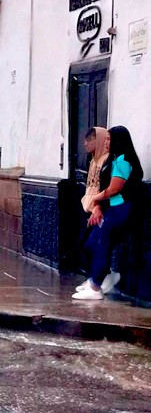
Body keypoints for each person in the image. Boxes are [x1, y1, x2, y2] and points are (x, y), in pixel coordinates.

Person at [74, 125, 144, 300]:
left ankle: (95, 286)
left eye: (109, 139)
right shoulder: (114, 160)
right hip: (111, 207)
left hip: (119, 208)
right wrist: (98, 205)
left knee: (102, 242)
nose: (106, 142)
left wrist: (96, 200)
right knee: (92, 242)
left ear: (118, 141)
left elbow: (114, 189)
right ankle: (103, 276)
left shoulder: (123, 161)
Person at [80, 127, 109, 214]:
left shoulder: (107, 160)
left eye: (89, 140)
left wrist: (97, 206)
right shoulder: (93, 160)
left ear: (99, 140)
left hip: (100, 209)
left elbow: (106, 186)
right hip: (89, 207)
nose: (85, 144)